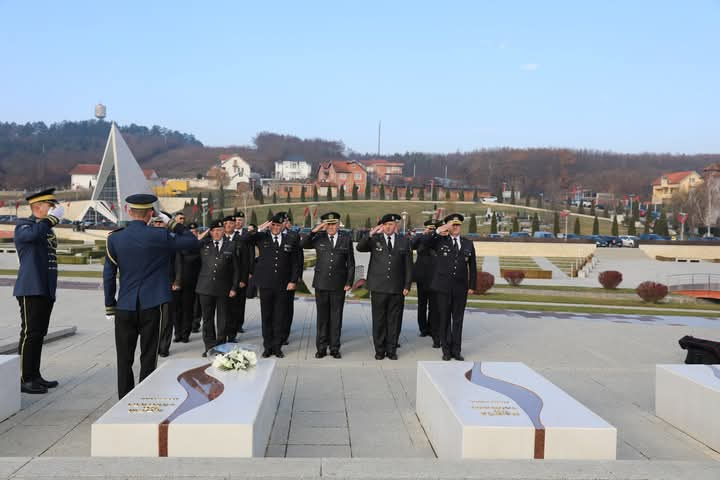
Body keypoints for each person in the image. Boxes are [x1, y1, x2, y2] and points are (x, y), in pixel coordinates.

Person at [103, 194, 199, 399]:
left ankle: (125, 399)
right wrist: (171, 223)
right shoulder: (160, 236)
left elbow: (109, 275)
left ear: (129, 212)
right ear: (150, 213)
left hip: (125, 305)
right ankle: (144, 397)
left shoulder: (115, 238)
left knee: (124, 359)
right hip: (152, 304)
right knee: (148, 356)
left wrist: (109, 304)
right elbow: (191, 241)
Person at [14, 188, 64, 394]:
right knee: (30, 333)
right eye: (49, 207)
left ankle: (35, 375)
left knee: (39, 333)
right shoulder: (24, 226)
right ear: (37, 207)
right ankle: (24, 378)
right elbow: (33, 236)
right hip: (31, 287)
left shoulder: (44, 228)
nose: (53, 210)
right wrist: (50, 220)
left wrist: (48, 222)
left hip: (44, 287)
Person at [241, 213, 301, 358]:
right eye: (273, 225)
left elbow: (296, 262)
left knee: (280, 316)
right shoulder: (262, 237)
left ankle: (277, 347)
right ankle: (267, 346)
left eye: (278, 225)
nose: (275, 228)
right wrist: (260, 228)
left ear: (282, 226)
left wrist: (293, 281)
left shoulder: (291, 239)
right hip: (266, 284)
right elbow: (244, 239)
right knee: (266, 316)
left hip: (283, 284)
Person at [356, 213, 412, 360]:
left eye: (391, 224)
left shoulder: (404, 241)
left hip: (397, 287)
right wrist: (371, 233)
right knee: (379, 320)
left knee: (394, 320)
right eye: (386, 224)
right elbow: (360, 247)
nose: (388, 227)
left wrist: (407, 285)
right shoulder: (375, 239)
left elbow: (408, 266)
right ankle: (379, 350)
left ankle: (391, 350)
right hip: (378, 287)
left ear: (396, 226)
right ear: (382, 226)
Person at [421, 213, 477, 361]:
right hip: (443, 288)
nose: (456, 227)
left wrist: (472, 285)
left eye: (458, 225)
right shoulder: (440, 241)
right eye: (453, 225)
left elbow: (473, 266)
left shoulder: (467, 243)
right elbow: (424, 243)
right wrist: (439, 231)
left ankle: (456, 350)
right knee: (444, 319)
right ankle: (446, 350)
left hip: (460, 288)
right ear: (448, 226)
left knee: (458, 320)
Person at [301, 212, 355, 359]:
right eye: (328, 224)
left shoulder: (345, 238)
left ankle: (335, 348)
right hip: (321, 283)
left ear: (338, 224)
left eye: (333, 224)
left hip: (339, 284)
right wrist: (316, 230)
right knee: (322, 318)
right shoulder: (319, 237)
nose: (331, 227)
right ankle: (321, 348)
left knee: (336, 317)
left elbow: (350, 263)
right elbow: (303, 243)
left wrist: (349, 282)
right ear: (324, 225)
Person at [195, 220, 244, 353]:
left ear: (224, 231)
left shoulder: (231, 246)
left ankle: (221, 346)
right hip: (205, 288)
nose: (217, 233)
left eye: (220, 230)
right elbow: (192, 248)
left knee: (223, 320)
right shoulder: (204, 245)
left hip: (223, 289)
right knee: (207, 320)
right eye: (214, 231)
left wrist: (234, 287)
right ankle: (209, 347)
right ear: (210, 232)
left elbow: (236, 269)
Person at [411, 219, 441, 345]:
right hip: (422, 277)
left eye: (433, 229)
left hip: (434, 277)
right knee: (422, 304)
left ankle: (433, 328)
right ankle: (423, 328)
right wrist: (423, 234)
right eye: (429, 229)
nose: (431, 231)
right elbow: (411, 244)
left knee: (434, 306)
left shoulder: (438, 239)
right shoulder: (421, 239)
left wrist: (435, 234)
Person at [174, 222, 202, 343]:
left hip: (190, 282)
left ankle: (185, 333)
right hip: (175, 282)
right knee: (176, 310)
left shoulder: (197, 246)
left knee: (187, 309)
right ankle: (177, 333)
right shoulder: (176, 246)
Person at [279, 212, 302, 346]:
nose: (284, 223)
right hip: (275, 278)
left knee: (287, 307)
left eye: (285, 221)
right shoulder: (270, 235)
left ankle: (284, 334)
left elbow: (299, 258)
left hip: (289, 278)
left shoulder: (293, 236)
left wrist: (298, 276)